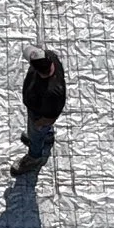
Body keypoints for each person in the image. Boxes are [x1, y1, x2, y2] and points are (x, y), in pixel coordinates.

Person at [13, 47, 67, 177]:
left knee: (36, 135)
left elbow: (51, 116)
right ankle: (46, 136)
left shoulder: (53, 92)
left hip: (39, 117)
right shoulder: (50, 56)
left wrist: (40, 123)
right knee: (38, 132)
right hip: (38, 110)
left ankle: (34, 157)